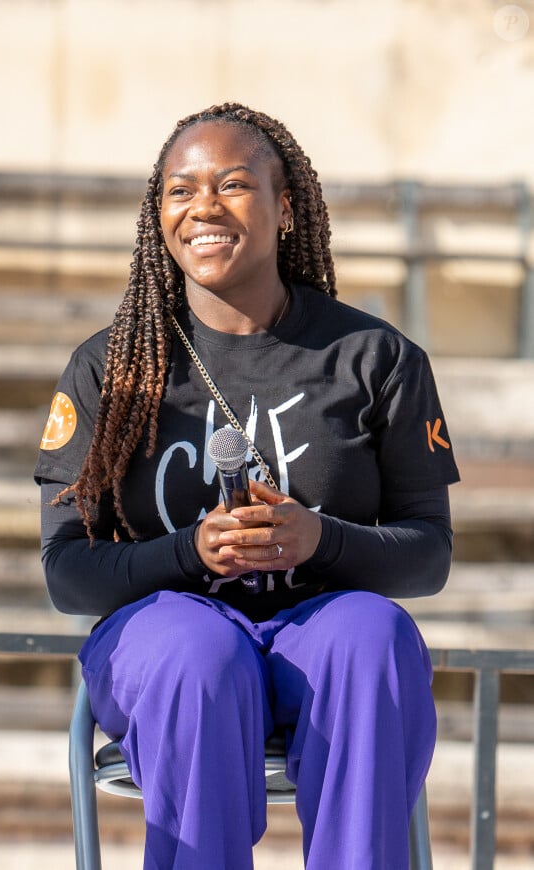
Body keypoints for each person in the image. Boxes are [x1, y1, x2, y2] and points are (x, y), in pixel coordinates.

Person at [35, 102, 460, 870]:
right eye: (178, 189)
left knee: (372, 638)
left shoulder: (378, 358)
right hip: (169, 639)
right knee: (200, 656)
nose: (203, 207)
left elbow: (427, 557)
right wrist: (190, 552)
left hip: (324, 633)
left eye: (232, 185)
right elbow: (68, 572)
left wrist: (319, 539)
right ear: (157, 211)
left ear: (285, 206)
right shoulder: (111, 368)